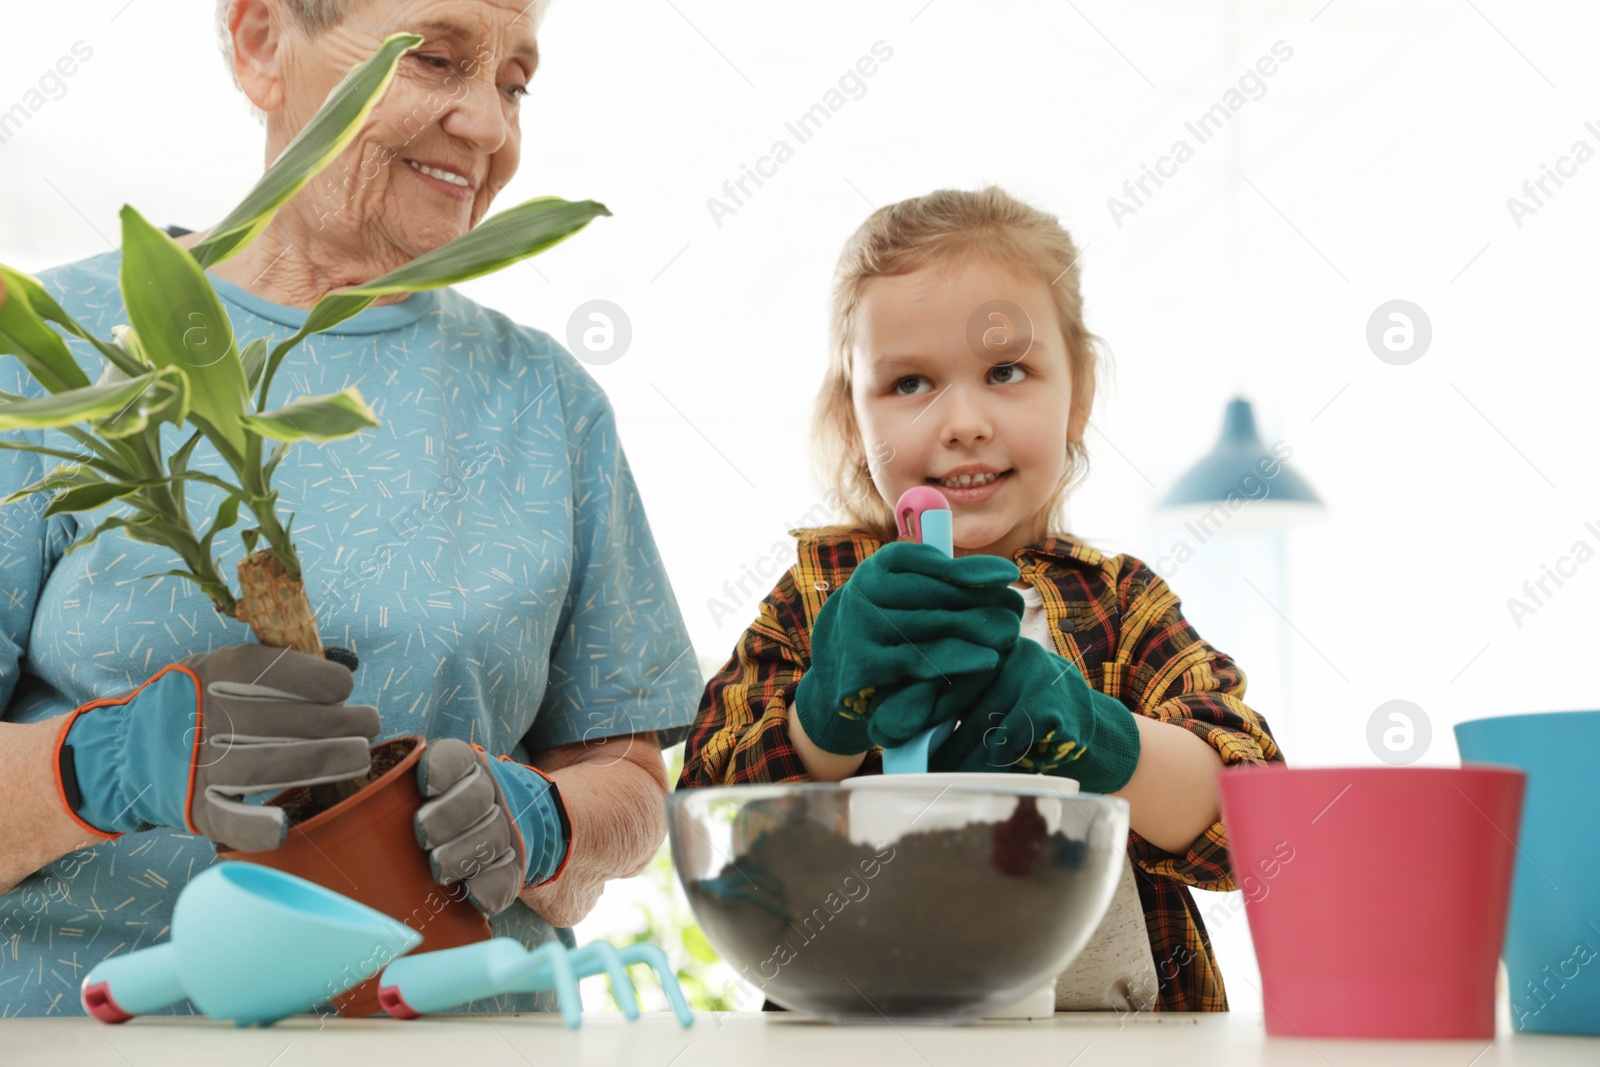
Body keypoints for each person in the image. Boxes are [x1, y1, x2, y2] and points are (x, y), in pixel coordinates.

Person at [0, 0, 703, 1016]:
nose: (491, 127)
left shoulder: (546, 402)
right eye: (434, 60)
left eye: (513, 82)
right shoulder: (48, 356)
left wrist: (552, 822)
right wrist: (92, 766)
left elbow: (625, 775)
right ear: (257, 42)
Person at [677, 186, 1285, 1013]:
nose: (962, 420)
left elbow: (1257, 826)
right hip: (862, 1034)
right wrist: (823, 717)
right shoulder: (818, 599)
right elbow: (713, 820)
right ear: (852, 422)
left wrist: (1098, 738)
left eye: (1007, 371)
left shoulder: (1121, 602)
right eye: (910, 382)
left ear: (1080, 394)